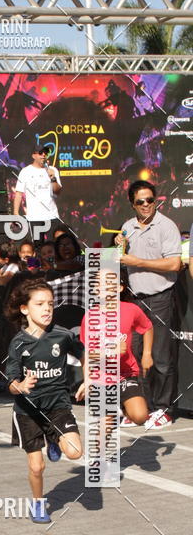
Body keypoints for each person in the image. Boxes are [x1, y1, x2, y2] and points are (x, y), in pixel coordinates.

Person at [5, 278, 87, 524]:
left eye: (50, 304)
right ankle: (38, 504)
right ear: (24, 309)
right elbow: (10, 382)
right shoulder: (18, 343)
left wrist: (89, 379)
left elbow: (84, 353)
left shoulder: (62, 335)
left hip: (57, 406)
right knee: (37, 467)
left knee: (75, 452)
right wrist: (20, 386)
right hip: (27, 411)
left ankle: (54, 439)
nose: (47, 309)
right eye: (39, 304)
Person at [116, 180, 182, 428]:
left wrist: (138, 262)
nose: (146, 205)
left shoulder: (166, 226)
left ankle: (164, 409)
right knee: (133, 356)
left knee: (161, 356)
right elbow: (122, 258)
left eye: (150, 200)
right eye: (140, 201)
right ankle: (142, 409)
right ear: (132, 204)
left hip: (160, 297)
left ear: (156, 200)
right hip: (134, 300)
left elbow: (174, 264)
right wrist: (119, 248)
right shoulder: (127, 227)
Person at [80, 269, 152, 433]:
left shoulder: (131, 310)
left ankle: (123, 407)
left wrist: (147, 354)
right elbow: (86, 354)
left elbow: (147, 327)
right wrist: (88, 380)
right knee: (104, 429)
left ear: (120, 288)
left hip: (126, 373)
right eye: (98, 282)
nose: (101, 285)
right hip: (101, 376)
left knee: (140, 416)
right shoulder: (89, 317)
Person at [13, 145, 62, 235]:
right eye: (40, 153)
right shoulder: (25, 171)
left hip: (52, 216)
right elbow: (19, 193)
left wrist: (53, 178)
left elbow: (57, 191)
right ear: (33, 156)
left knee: (54, 242)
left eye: (45, 153)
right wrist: (16, 213)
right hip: (34, 218)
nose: (43, 155)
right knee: (37, 243)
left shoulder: (53, 170)